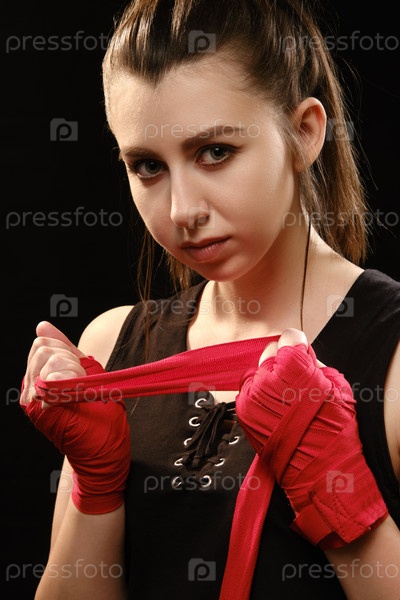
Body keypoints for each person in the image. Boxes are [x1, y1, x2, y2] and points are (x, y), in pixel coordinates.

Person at [20, 0, 400, 598]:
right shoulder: (112, 346)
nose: (181, 211)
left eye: (215, 152)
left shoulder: (394, 355)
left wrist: (339, 503)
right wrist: (97, 489)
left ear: (304, 133)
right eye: (147, 166)